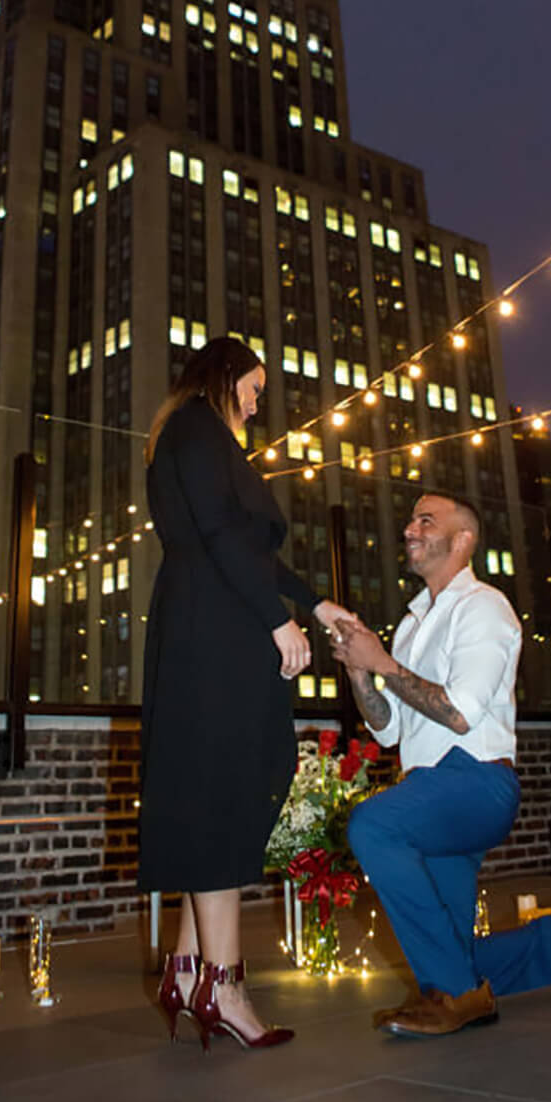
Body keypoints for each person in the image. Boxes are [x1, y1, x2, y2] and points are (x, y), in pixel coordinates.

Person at [331, 490, 551, 1038]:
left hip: (477, 783)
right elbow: (388, 728)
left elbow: (459, 714)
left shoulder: (485, 606)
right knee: (455, 956)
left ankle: (457, 995)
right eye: (411, 518)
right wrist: (360, 671)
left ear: (464, 540)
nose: (410, 528)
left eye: (426, 520)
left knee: (372, 825)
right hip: (430, 792)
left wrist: (383, 663)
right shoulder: (412, 625)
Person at [139, 337, 353, 1051]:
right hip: (219, 627)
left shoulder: (192, 435)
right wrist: (277, 617)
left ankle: (186, 964)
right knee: (225, 789)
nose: (260, 402)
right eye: (255, 387)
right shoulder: (199, 430)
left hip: (211, 618)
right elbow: (222, 538)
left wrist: (315, 604)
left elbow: (246, 549)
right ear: (225, 375)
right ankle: (222, 984)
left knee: (216, 784)